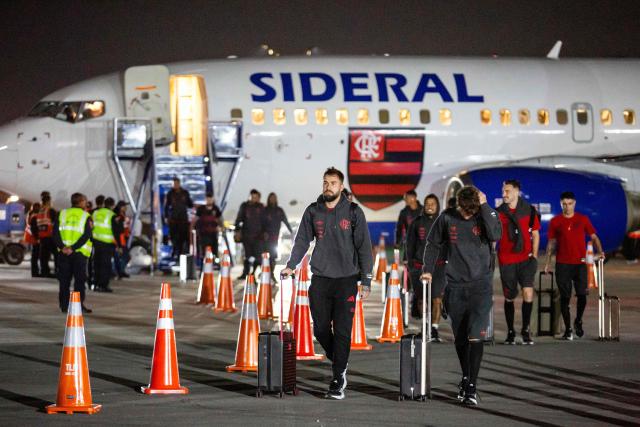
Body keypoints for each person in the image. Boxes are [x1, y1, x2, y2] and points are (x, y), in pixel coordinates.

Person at [282, 167, 373, 400]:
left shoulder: (353, 212)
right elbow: (302, 240)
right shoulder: (313, 211)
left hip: (346, 280)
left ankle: (338, 377)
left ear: (341, 187)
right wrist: (291, 264)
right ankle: (341, 360)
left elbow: (364, 247)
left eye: (333, 183)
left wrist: (366, 280)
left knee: (342, 332)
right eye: (325, 182)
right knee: (321, 329)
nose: (328, 186)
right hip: (321, 279)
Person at [421, 186, 501, 406]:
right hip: (455, 286)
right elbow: (432, 243)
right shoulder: (447, 218)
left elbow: (496, 234)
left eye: (470, 211)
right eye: (463, 210)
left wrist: (484, 206)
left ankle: (472, 387)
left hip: (480, 286)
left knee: (476, 335)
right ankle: (466, 376)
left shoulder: (484, 215)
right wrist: (427, 269)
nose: (466, 214)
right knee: (460, 337)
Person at [544, 191, 604, 340]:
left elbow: (594, 237)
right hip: (563, 264)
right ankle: (568, 329)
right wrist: (547, 263)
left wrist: (601, 251)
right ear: (561, 204)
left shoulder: (582, 219)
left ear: (574, 204)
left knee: (582, 296)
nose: (567, 207)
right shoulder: (555, 221)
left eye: (570, 204)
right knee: (565, 297)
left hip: (580, 264)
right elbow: (551, 243)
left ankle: (578, 320)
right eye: (564, 204)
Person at [496, 180, 540, 345]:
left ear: (516, 191)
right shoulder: (499, 213)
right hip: (507, 260)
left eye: (507, 191)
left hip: (526, 260)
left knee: (528, 293)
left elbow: (535, 234)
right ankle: (510, 331)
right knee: (509, 297)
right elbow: (494, 237)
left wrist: (534, 256)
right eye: (503, 191)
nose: (503, 194)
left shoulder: (529, 210)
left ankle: (526, 329)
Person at [406, 194, 446, 341]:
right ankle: (425, 326)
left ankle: (434, 329)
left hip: (439, 267)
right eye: (427, 203)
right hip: (418, 267)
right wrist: (410, 265)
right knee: (422, 300)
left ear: (437, 206)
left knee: (436, 299)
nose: (430, 206)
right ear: (424, 205)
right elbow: (409, 245)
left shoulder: (443, 222)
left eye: (433, 204)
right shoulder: (417, 223)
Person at [53, 193, 93, 313]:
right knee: (79, 281)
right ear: (80, 202)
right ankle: (77, 306)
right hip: (79, 253)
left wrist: (62, 247)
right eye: (85, 201)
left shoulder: (62, 214)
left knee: (64, 280)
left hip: (63, 253)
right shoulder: (86, 216)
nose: (86, 203)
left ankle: (64, 306)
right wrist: (73, 248)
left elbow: (55, 233)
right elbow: (87, 235)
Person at [234, 189, 265, 280]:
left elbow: (265, 221)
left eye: (256, 197)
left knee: (258, 257)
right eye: (252, 197)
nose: (254, 199)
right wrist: (237, 230)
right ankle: (245, 273)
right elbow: (239, 219)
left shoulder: (261, 207)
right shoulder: (244, 206)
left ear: (259, 198)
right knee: (247, 256)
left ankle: (254, 273)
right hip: (247, 236)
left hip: (258, 237)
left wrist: (265, 233)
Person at [262, 192, 292, 279]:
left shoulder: (279, 210)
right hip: (266, 238)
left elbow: (285, 221)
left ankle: (271, 274)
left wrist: (292, 232)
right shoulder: (265, 210)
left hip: (275, 238)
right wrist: (263, 232)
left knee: (273, 257)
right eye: (271, 198)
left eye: (274, 198)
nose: (273, 199)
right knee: (267, 257)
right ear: (269, 199)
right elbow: (261, 223)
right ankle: (266, 273)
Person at [164, 177, 193, 258]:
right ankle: (174, 250)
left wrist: (192, 205)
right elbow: (166, 206)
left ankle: (181, 252)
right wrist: (166, 217)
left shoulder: (185, 193)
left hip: (183, 219)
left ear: (179, 183)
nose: (175, 185)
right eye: (174, 184)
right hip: (174, 219)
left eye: (176, 183)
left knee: (183, 236)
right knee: (173, 236)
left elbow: (190, 204)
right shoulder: (170, 193)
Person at [92, 197, 117, 292]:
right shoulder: (111, 215)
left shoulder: (95, 213)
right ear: (112, 205)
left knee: (97, 263)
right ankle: (103, 285)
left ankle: (96, 283)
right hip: (106, 243)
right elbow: (115, 231)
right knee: (105, 265)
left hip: (96, 241)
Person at [195, 194, 223, 265]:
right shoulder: (201, 209)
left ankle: (215, 264)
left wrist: (221, 227)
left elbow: (220, 219)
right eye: (207, 199)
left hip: (213, 234)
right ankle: (203, 265)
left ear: (213, 199)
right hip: (203, 234)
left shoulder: (216, 209)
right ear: (205, 200)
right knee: (204, 251)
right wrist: (194, 228)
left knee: (214, 250)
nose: (209, 200)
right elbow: (196, 220)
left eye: (210, 199)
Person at [35, 192, 57, 278]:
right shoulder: (50, 210)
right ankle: (57, 271)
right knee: (56, 254)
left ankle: (44, 271)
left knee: (44, 256)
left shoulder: (40, 210)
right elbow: (56, 222)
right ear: (49, 201)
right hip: (50, 235)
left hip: (42, 236)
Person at [113, 201, 131, 279]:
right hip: (119, 239)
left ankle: (120, 271)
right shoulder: (117, 216)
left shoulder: (122, 215)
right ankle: (117, 272)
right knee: (124, 256)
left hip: (124, 238)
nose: (126, 208)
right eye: (124, 206)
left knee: (123, 256)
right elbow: (119, 228)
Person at [25, 202, 41, 277]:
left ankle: (35, 272)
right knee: (35, 256)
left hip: (32, 237)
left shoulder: (30, 214)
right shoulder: (34, 215)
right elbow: (34, 228)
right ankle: (35, 272)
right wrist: (37, 238)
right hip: (34, 238)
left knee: (35, 255)